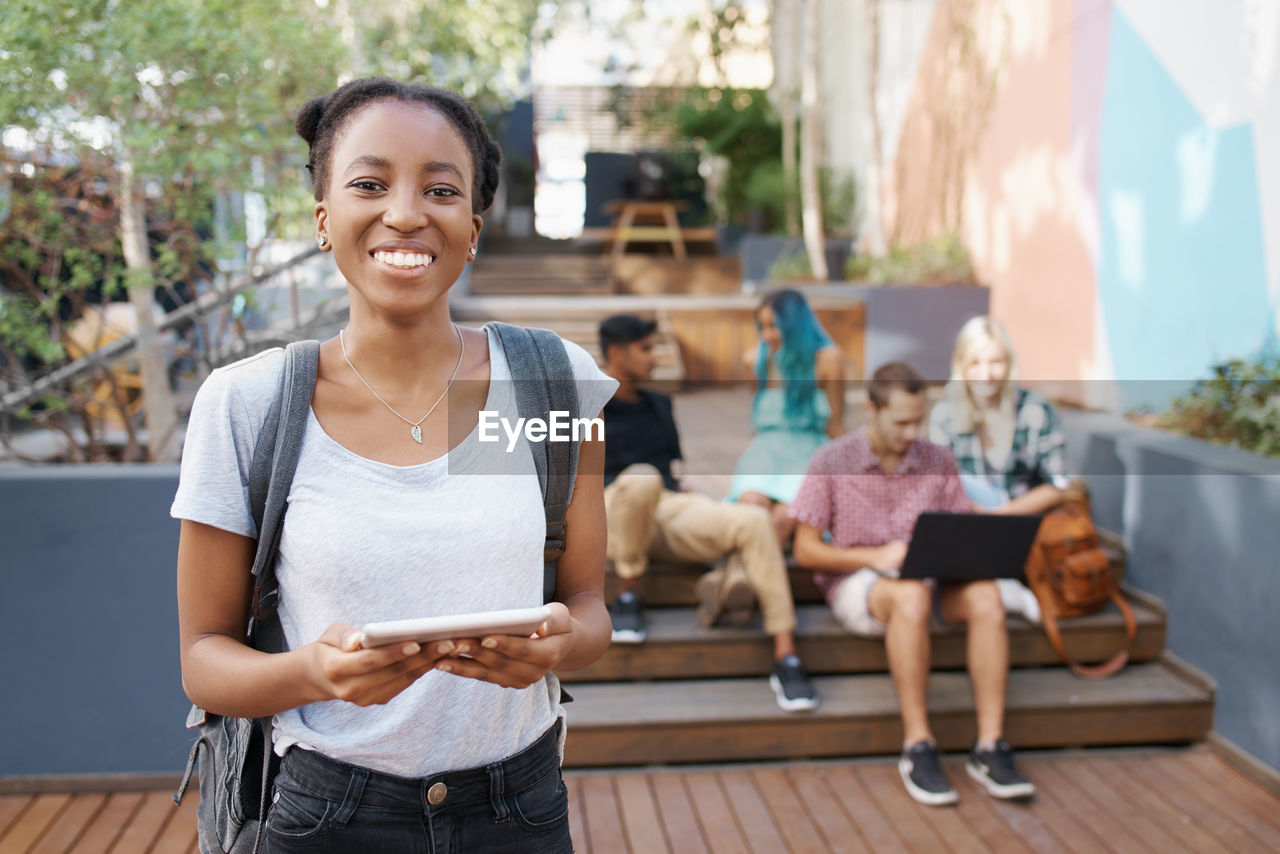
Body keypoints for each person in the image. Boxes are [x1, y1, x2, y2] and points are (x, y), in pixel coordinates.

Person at [172, 78, 617, 853]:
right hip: (328, 813)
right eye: (369, 184)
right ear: (323, 219)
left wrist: (559, 645)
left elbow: (589, 609)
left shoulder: (549, 381)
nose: (406, 212)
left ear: (472, 228)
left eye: (440, 189)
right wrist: (316, 673)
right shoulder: (247, 405)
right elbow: (205, 663)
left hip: (520, 810)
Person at [790, 362, 1035, 806]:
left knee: (985, 596)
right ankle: (918, 744)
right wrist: (875, 557)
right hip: (861, 583)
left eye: (917, 420)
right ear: (870, 409)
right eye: (900, 421)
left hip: (930, 577)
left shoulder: (937, 458)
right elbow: (805, 550)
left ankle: (990, 746)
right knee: (909, 595)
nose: (911, 432)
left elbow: (960, 526)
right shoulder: (831, 460)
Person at [598, 314, 819, 712]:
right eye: (646, 349)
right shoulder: (585, 404)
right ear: (615, 352)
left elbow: (672, 473)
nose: (656, 358)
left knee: (752, 520)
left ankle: (786, 654)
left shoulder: (660, 405)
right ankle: (628, 595)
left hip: (664, 508)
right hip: (613, 511)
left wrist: (695, 502)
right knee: (642, 478)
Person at [929, 316, 1078, 623]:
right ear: (961, 365)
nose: (986, 373)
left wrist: (998, 516)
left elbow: (1059, 485)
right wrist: (977, 514)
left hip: (1022, 520)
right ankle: (998, 588)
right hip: (968, 518)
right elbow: (940, 485)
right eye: (976, 363)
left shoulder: (1035, 410)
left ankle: (1001, 585)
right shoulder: (945, 413)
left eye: (996, 362)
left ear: (1009, 363)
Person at [726, 289, 846, 544]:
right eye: (762, 326)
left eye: (775, 326)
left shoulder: (829, 360)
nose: (767, 335)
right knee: (750, 505)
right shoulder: (756, 360)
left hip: (808, 453)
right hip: (765, 451)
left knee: (784, 516)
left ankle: (748, 580)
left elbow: (836, 423)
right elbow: (758, 416)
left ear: (795, 325)